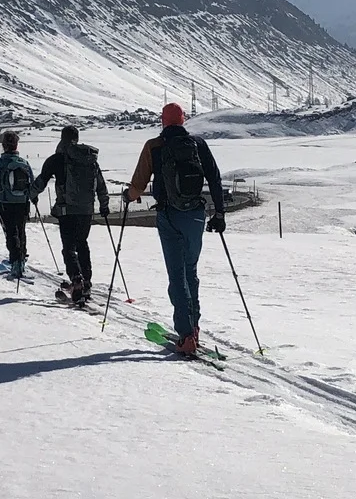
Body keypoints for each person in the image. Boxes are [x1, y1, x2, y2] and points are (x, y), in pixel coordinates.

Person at [124, 104, 227, 355]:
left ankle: (186, 335)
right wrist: (220, 213)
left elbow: (139, 183)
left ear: (163, 122)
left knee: (176, 275)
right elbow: (214, 178)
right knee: (190, 270)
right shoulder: (198, 144)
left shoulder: (154, 146)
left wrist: (129, 195)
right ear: (183, 121)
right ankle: (195, 325)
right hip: (195, 215)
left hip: (169, 215)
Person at [32, 126, 110, 305]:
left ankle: (76, 281)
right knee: (82, 243)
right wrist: (104, 205)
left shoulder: (57, 159)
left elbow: (42, 181)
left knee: (69, 247)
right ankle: (87, 281)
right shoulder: (90, 159)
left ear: (62, 138)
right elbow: (100, 185)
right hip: (86, 210)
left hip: (67, 210)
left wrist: (31, 195)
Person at [0, 131, 37, 278]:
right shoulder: (24, 163)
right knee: (21, 231)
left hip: (5, 202)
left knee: (11, 232)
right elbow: (32, 182)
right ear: (16, 145)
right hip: (23, 202)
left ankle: (15, 262)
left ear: (3, 145)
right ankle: (21, 258)